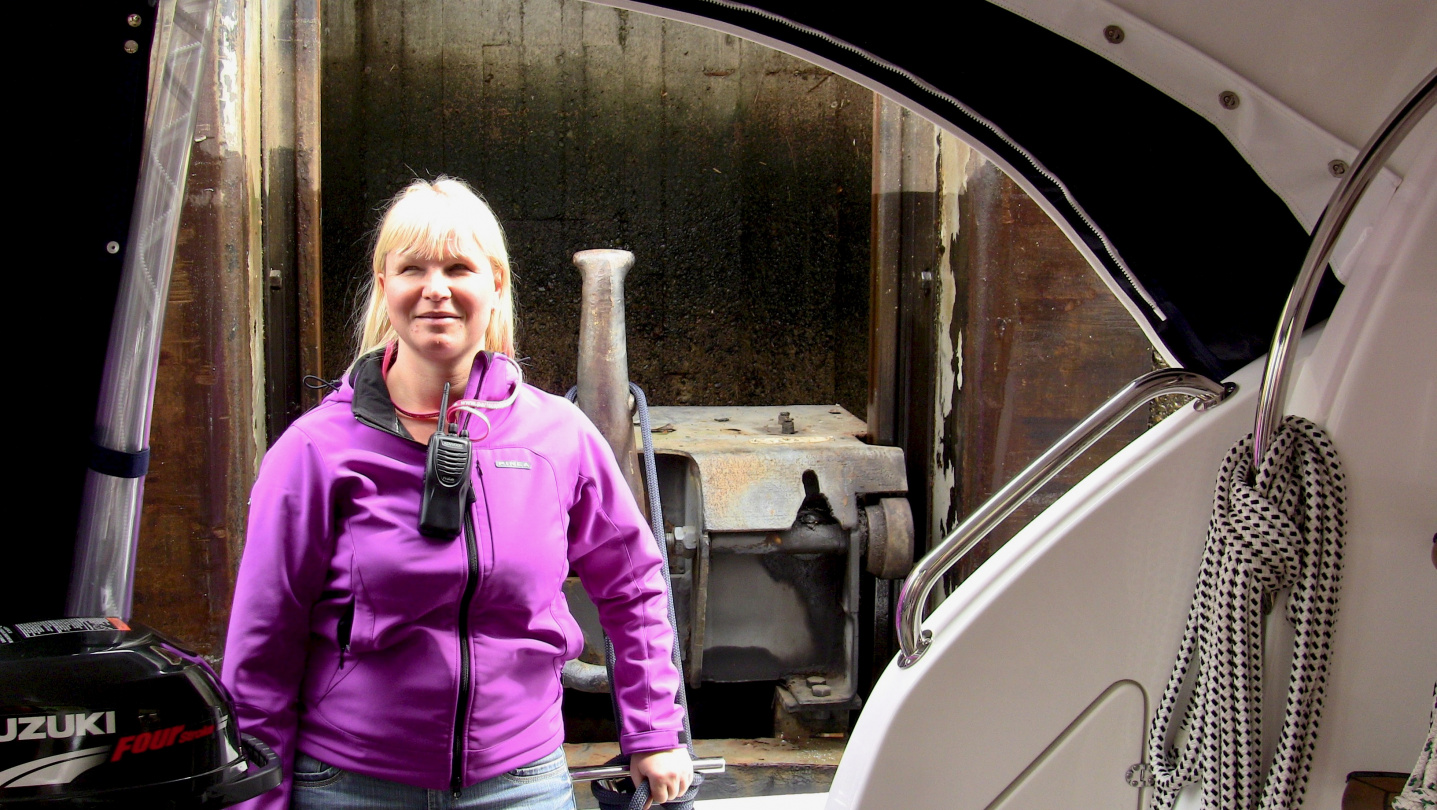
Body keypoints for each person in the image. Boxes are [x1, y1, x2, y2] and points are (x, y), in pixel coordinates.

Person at [221, 177, 693, 809]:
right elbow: (262, 639)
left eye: (458, 267)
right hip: (351, 785)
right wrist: (256, 798)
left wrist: (655, 729)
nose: (435, 289)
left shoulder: (558, 438)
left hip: (522, 784)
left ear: (496, 285)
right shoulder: (315, 452)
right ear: (384, 284)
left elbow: (634, 582)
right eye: (412, 267)